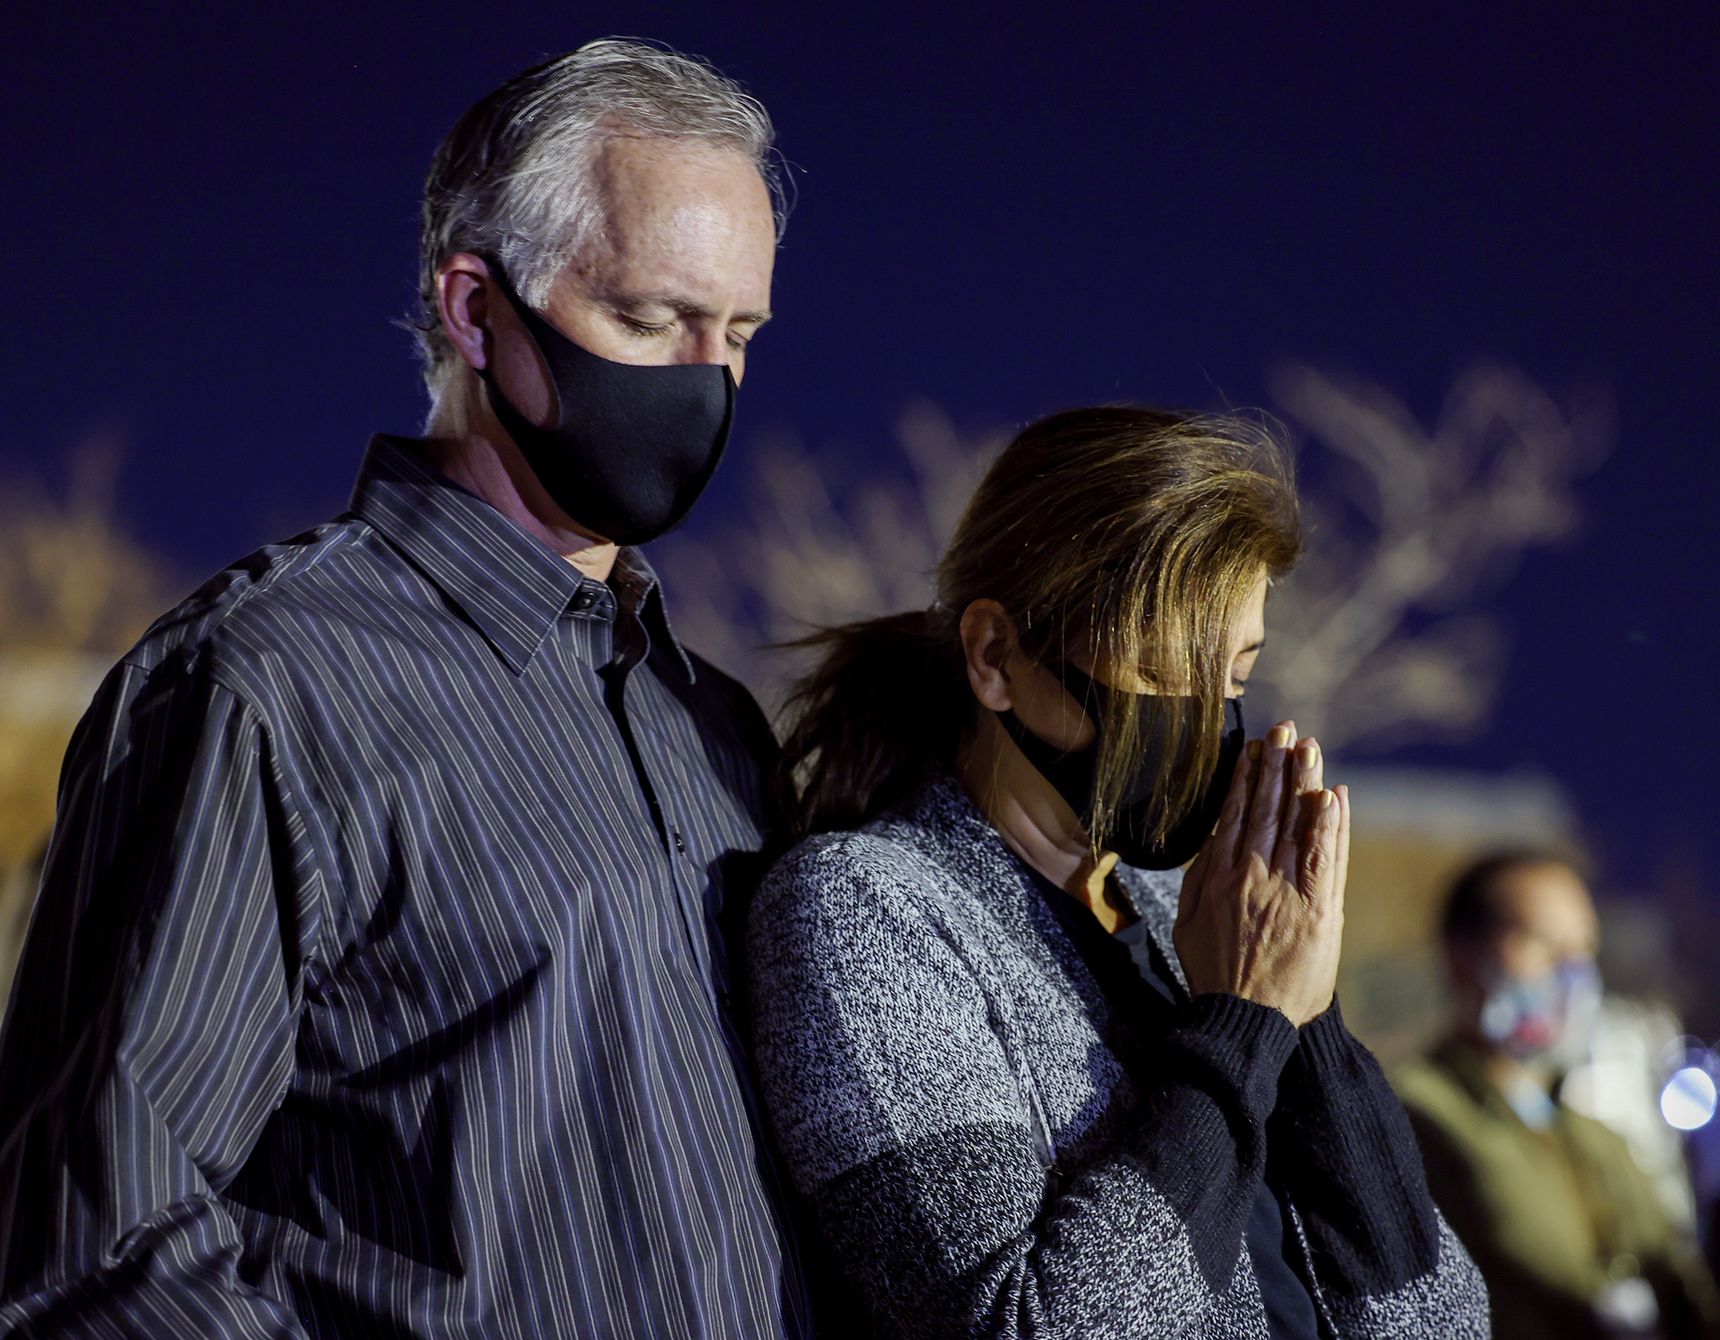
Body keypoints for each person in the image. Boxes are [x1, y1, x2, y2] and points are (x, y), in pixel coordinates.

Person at [0, 39, 812, 1337]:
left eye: (741, 334)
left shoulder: (709, 722)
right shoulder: (260, 688)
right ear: (474, 309)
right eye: (651, 321)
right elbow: (101, 1253)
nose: (703, 382)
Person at [746, 406, 1490, 1338]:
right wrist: (1243, 1026)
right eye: (1160, 666)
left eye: (1232, 680)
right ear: (996, 658)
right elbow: (1022, 1327)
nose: (1205, 719)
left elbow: (1439, 1321)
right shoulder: (865, 910)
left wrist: (1308, 1018)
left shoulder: (1190, 916)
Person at [1396, 852, 1720, 1339]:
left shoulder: (1592, 1132)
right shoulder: (1413, 1117)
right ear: (1461, 960)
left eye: (1583, 947)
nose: (1573, 971)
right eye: (1543, 943)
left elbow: (1675, 1270)